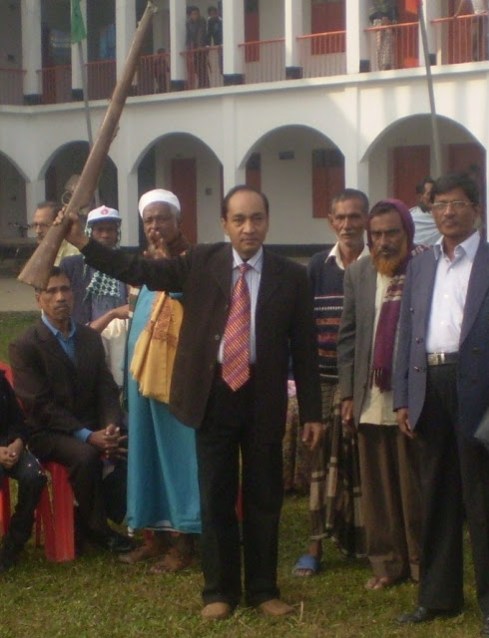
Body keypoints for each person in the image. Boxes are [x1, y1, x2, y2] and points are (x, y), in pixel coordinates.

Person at [59, 184, 323, 620]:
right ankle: (219, 591)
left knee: (263, 497)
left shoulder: (290, 276)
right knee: (215, 495)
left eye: (257, 218)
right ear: (224, 224)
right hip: (212, 394)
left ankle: (263, 590)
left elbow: (306, 349)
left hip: (263, 397)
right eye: (239, 219)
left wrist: (312, 412)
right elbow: (140, 269)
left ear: (267, 222)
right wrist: (84, 244)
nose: (249, 227)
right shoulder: (202, 262)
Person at [394, 172, 489, 636]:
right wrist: (403, 395)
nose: (448, 212)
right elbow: (407, 333)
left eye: (457, 203)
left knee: (486, 497)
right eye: (439, 205)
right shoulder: (420, 266)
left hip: (484, 390)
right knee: (436, 494)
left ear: (476, 210)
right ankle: (437, 597)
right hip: (430, 386)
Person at [9, 268, 132, 554]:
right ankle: (98, 530)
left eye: (65, 289)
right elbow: (40, 406)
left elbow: (106, 388)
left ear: (74, 294)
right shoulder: (25, 345)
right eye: (51, 291)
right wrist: (88, 435)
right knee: (85, 455)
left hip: (92, 424)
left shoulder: (89, 337)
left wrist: (111, 425)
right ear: (39, 299)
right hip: (47, 431)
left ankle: (114, 515)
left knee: (129, 442)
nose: (60, 297)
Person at [338, 199, 423, 592]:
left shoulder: (425, 269)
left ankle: (421, 562)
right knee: (377, 488)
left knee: (414, 485)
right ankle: (387, 562)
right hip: (369, 395)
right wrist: (348, 394)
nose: (384, 242)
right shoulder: (358, 273)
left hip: (413, 395)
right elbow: (349, 337)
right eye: (377, 235)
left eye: (392, 233)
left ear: (407, 233)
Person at [119, 189, 201, 572]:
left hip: (177, 378)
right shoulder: (142, 265)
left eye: (162, 218)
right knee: (146, 454)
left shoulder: (193, 261)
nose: (155, 226)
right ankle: (155, 537)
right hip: (141, 376)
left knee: (178, 455)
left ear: (178, 221)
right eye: (148, 220)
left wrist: (168, 263)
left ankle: (185, 541)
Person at [293, 189, 369, 577]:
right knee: (319, 459)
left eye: (355, 216)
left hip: (365, 380)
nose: (347, 224)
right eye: (341, 217)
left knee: (360, 459)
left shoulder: (378, 265)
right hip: (322, 377)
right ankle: (315, 545)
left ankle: (364, 538)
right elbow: (301, 326)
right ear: (330, 221)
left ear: (366, 219)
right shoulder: (317, 267)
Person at [0, 370, 47, 573]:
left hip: (9, 446)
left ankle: (15, 541)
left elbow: (19, 421)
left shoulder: (1, 381)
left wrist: (18, 444)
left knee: (34, 476)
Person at [60, 205, 128, 329]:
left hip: (123, 333)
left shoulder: (127, 264)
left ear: (117, 233)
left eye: (110, 230)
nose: (105, 235)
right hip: (84, 333)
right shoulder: (72, 266)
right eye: (100, 230)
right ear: (90, 233)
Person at [32, 201, 80, 266]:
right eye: (35, 225)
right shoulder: (39, 253)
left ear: (57, 223)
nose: (38, 231)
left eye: (44, 225)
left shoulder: (74, 254)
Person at [409, 177, 441, 246]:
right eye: (429, 194)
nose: (433, 197)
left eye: (435, 193)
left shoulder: (445, 217)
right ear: (420, 197)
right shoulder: (410, 219)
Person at [369, 1, 397, 70]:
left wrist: (392, 21)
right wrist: (381, 18)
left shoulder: (391, 4)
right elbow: (372, 13)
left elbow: (393, 10)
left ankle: (386, 65)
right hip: (378, 21)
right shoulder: (374, 4)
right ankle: (381, 66)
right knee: (379, 45)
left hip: (388, 23)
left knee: (388, 43)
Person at [186, 5, 209, 89]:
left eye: (197, 13)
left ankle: (205, 83)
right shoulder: (188, 23)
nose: (195, 15)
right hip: (194, 47)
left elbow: (201, 33)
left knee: (202, 65)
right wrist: (189, 47)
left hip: (201, 46)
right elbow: (188, 36)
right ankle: (201, 82)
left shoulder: (202, 21)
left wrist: (200, 46)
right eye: (194, 14)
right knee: (197, 67)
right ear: (190, 15)